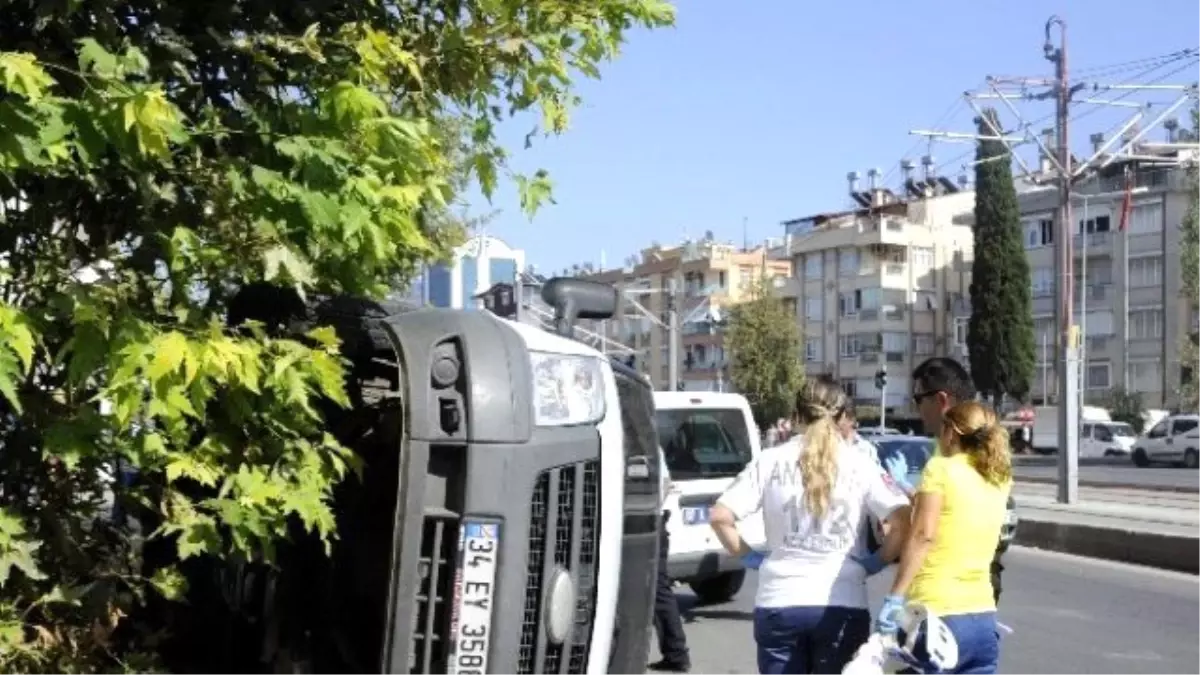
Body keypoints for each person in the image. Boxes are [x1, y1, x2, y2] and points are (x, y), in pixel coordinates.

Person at [709, 379, 912, 675]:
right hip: (843, 601)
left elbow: (720, 517)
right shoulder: (860, 462)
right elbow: (902, 519)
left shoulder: (769, 461)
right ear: (842, 415)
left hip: (779, 600)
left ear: (796, 415)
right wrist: (874, 562)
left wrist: (751, 557)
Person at [875, 401, 1013, 675]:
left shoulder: (940, 469)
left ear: (951, 433)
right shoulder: (999, 477)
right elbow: (957, 512)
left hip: (939, 618)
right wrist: (908, 489)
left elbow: (924, 535)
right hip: (983, 620)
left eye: (942, 430)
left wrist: (895, 597)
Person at [884, 357, 1006, 604]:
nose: (918, 409)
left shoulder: (945, 459)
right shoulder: (991, 453)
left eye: (919, 399)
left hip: (940, 599)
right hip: (979, 596)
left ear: (941, 400)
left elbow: (925, 533)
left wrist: (895, 596)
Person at [649, 445, 691, 672]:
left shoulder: (634, 446)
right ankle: (676, 652)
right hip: (655, 521)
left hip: (643, 524)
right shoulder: (654, 447)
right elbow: (665, 485)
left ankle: (676, 653)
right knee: (659, 590)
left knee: (657, 590)